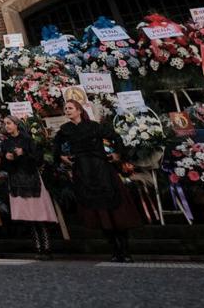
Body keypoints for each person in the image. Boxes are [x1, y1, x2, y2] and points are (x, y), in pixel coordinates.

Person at [54, 99, 141, 262]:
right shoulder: (66, 129)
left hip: (101, 168)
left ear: (79, 110)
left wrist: (117, 155)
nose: (67, 111)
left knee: (115, 209)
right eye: (65, 108)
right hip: (84, 171)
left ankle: (125, 249)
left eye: (70, 108)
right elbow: (56, 146)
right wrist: (62, 157)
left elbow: (115, 137)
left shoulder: (93, 126)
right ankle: (114, 250)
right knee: (99, 212)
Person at [0, 116, 57, 259]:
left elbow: (38, 159)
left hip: (31, 179)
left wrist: (23, 153)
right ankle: (38, 248)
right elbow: (3, 166)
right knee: (29, 217)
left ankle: (47, 248)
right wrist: (7, 158)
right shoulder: (6, 143)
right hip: (17, 180)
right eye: (5, 124)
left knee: (39, 215)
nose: (7, 126)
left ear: (17, 125)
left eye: (9, 123)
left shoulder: (28, 140)